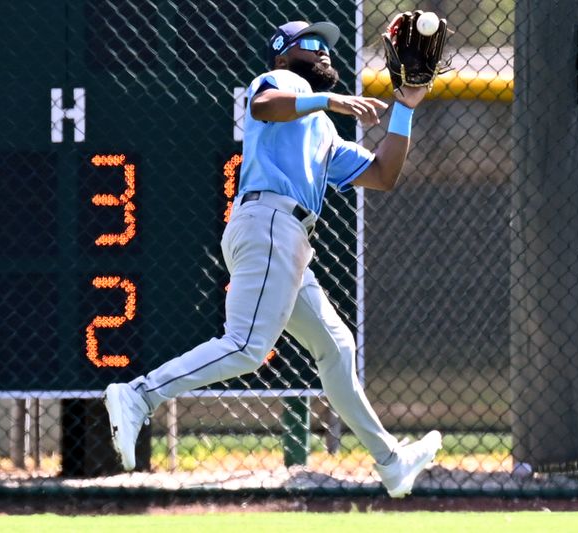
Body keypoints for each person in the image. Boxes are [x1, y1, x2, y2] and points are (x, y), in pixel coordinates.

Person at [104, 19, 441, 498]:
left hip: (289, 237)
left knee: (336, 348)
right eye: (311, 43)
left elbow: (384, 174)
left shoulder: (321, 130)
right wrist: (327, 98)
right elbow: (264, 105)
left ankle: (390, 462)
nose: (324, 50)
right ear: (283, 54)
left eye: (327, 45)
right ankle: (140, 393)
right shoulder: (284, 82)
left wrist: (405, 108)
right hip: (269, 223)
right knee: (245, 345)